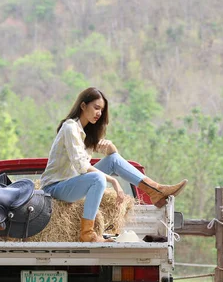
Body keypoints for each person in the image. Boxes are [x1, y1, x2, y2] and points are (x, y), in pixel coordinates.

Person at [40, 87, 187, 242]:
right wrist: (113, 181)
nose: (99, 113)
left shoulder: (85, 132)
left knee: (113, 159)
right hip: (55, 188)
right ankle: (88, 234)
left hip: (72, 183)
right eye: (96, 108)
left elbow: (112, 158)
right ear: (83, 106)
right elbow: (81, 166)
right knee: (98, 178)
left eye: (101, 110)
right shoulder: (70, 128)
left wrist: (111, 148)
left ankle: (154, 190)